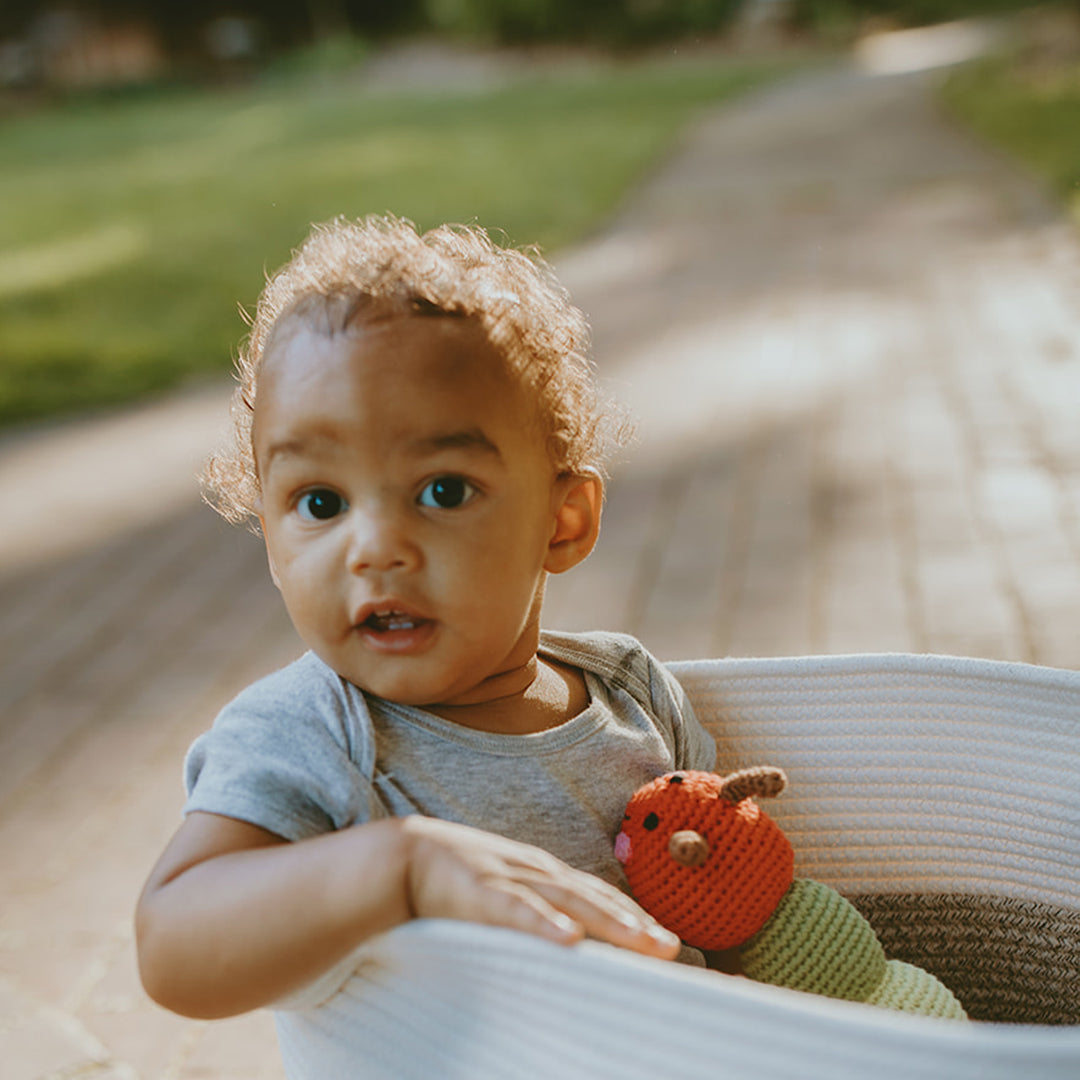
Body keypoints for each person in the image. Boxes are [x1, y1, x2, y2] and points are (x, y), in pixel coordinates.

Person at [135, 215, 718, 1042]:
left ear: (564, 520)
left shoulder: (632, 694)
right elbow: (172, 946)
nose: (374, 548)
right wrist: (399, 866)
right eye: (320, 503)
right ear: (270, 540)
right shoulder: (311, 736)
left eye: (442, 490)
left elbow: (730, 902)